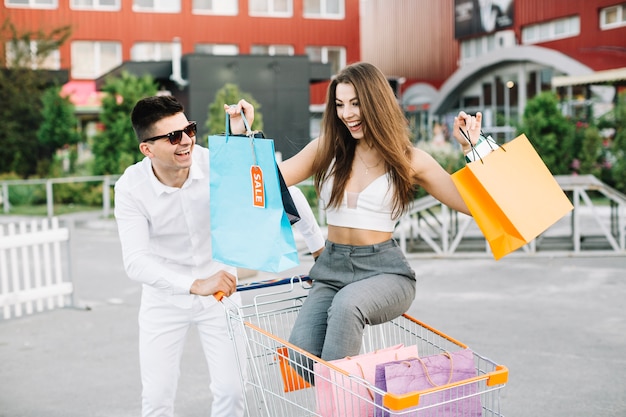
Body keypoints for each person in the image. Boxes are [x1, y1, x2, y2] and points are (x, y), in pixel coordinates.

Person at [227, 62, 482, 376]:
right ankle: (357, 393)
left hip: (385, 272)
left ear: (376, 103)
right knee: (300, 361)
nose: (347, 113)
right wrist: (242, 135)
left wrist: (472, 147)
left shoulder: (409, 158)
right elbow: (265, 185)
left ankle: (345, 400)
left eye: (356, 103)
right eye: (339, 104)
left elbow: (472, 205)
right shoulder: (328, 149)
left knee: (348, 308)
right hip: (332, 270)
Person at [114, 95, 324, 417]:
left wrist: (320, 250)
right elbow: (136, 260)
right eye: (173, 137)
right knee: (157, 398)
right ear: (147, 148)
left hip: (222, 292)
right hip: (164, 299)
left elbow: (283, 191)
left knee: (232, 391)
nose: (186, 141)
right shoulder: (130, 187)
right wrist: (195, 283)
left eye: (189, 129)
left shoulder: (215, 163)